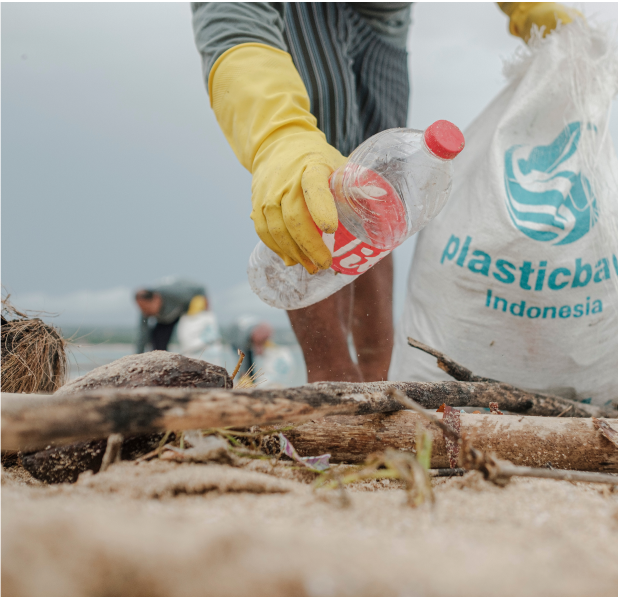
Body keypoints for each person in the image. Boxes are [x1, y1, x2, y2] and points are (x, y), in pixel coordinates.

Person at [191, 2, 578, 383]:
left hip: (384, 20)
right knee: (324, 172)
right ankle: (333, 379)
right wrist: (279, 136)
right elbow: (233, 18)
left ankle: (378, 379)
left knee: (379, 190)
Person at [135, 279, 208, 353]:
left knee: (190, 339)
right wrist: (136, 357)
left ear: (156, 298)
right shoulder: (145, 311)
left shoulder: (174, 293)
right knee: (158, 344)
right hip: (166, 320)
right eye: (142, 309)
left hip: (187, 312)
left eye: (147, 308)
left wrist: (207, 312)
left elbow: (200, 289)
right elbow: (142, 335)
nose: (146, 312)